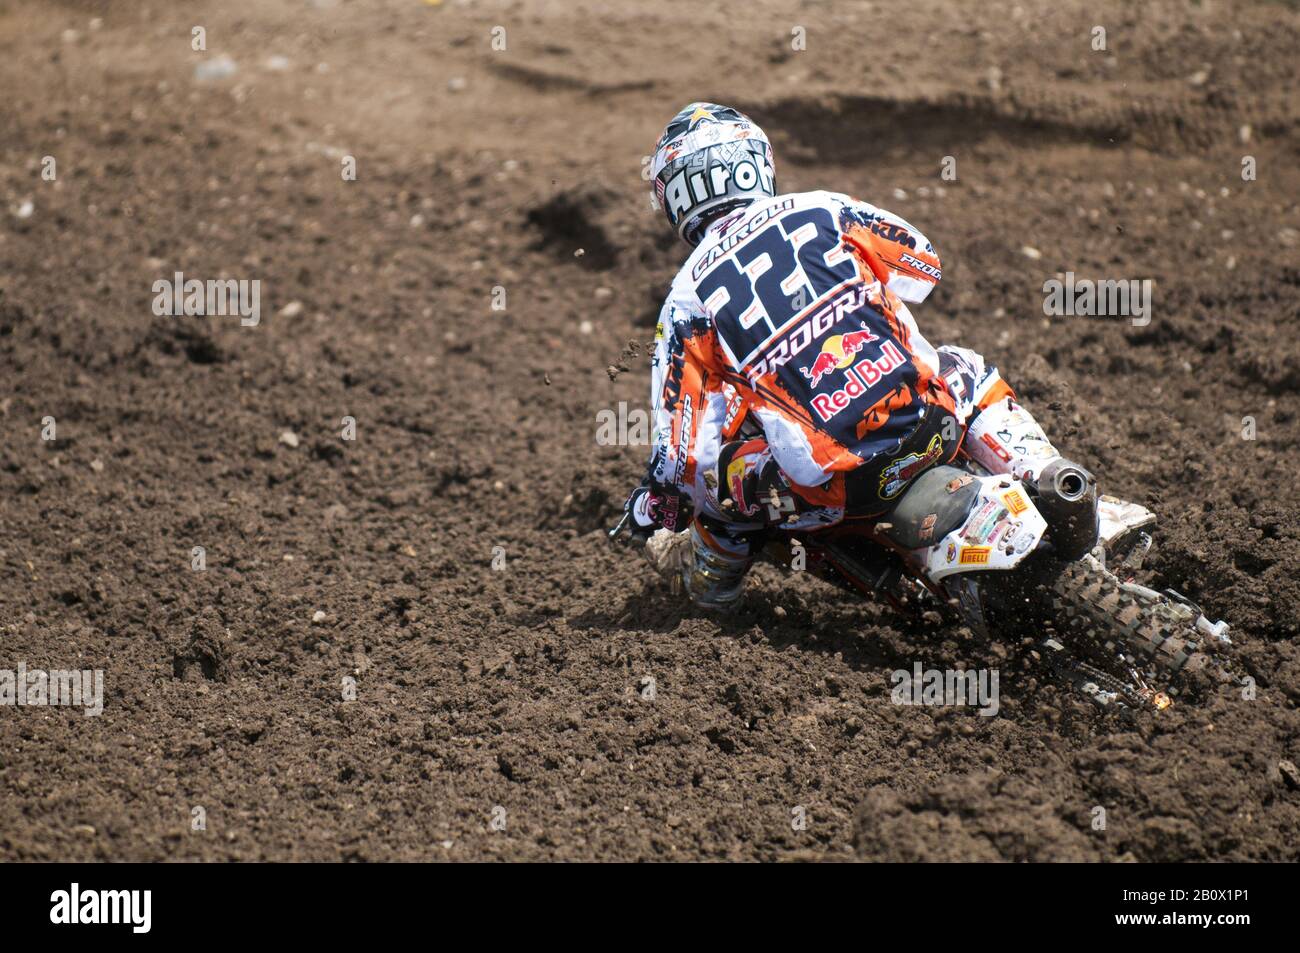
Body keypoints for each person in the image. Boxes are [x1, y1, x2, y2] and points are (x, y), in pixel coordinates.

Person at [626, 103, 1066, 610]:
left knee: (719, 485)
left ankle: (709, 594)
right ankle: (1045, 472)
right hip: (929, 422)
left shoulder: (686, 299)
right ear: (755, 163)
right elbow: (923, 265)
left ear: (676, 197)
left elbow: (683, 458)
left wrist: (652, 508)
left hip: (837, 490)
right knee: (965, 364)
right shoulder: (823, 207)